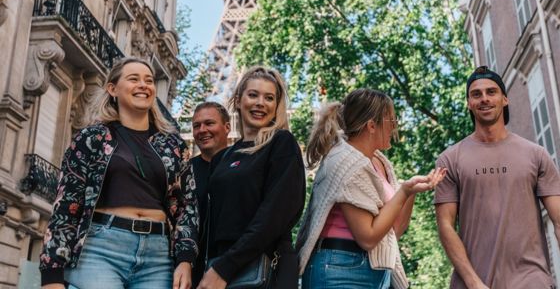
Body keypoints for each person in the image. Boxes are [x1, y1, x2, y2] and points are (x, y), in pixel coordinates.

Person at [39, 57, 199, 289]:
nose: (143, 85)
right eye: (133, 79)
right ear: (112, 88)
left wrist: (185, 259)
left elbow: (187, 206)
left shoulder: (173, 145)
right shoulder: (91, 138)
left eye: (149, 80)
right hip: (101, 249)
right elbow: (67, 204)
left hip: (158, 255)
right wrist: (51, 275)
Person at [297, 88, 446, 289]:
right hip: (338, 270)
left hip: (374, 271)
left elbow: (393, 231)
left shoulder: (379, 162)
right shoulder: (345, 161)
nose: (395, 127)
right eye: (391, 121)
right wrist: (403, 192)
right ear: (372, 126)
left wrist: (410, 193)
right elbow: (368, 237)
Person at [435, 65, 560, 289]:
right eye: (476, 94)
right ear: (469, 104)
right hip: (473, 284)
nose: (484, 99)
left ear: (504, 99)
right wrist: (473, 283)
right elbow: (445, 225)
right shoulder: (450, 159)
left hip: (532, 282)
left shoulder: (536, 155)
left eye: (491, 92)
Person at [197, 66, 306, 289]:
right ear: (238, 100)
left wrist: (224, 267)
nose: (260, 103)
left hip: (265, 268)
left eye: (269, 98)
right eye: (253, 95)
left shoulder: (282, 144)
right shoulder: (223, 158)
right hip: (220, 269)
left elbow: (274, 215)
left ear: (276, 106)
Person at [190, 102, 231, 286]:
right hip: (189, 270)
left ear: (227, 127)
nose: (202, 130)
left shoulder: (243, 167)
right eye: (196, 125)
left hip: (231, 270)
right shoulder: (184, 171)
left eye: (209, 123)